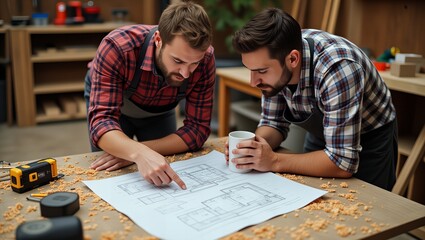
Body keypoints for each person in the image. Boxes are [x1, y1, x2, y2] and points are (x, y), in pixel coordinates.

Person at [228, 8, 397, 190]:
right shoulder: (275, 55)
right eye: (250, 70)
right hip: (323, 132)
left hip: (370, 138)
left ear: (293, 59)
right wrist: (251, 150)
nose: (253, 82)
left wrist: (274, 160)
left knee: (371, 210)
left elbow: (342, 161)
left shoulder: (338, 68)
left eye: (261, 71)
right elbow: (273, 123)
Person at [84, 1, 215, 189]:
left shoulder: (206, 58)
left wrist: (139, 151)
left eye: (194, 64)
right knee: (108, 173)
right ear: (158, 40)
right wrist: (136, 153)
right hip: (116, 108)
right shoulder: (118, 47)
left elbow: (197, 130)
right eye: (177, 60)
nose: (186, 74)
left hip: (160, 111)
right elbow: (101, 123)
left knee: (160, 169)